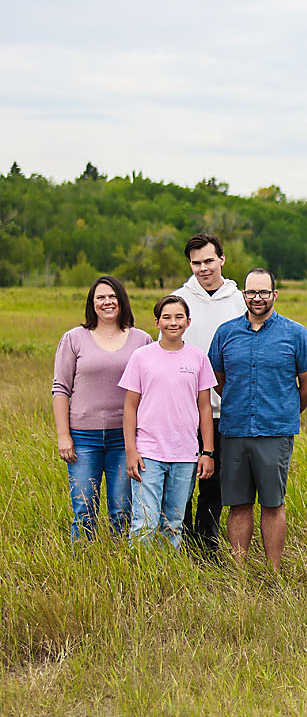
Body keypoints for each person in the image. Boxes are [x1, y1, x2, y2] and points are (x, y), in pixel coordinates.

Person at [208, 268, 307, 568]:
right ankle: (239, 572)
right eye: (251, 292)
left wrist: (284, 410)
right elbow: (218, 379)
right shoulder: (226, 333)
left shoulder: (295, 333)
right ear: (243, 294)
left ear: (274, 294)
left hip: (275, 432)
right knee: (238, 504)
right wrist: (240, 403)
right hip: (234, 431)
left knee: (272, 503)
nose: (257, 298)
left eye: (263, 292)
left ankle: (274, 572)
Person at [51, 276, 152, 538]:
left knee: (122, 511)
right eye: (100, 297)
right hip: (83, 438)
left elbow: (151, 391)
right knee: (84, 510)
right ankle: (83, 560)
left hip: (125, 439)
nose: (107, 302)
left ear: (122, 300)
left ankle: (119, 560)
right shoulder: (74, 338)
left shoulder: (141, 340)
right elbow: (61, 389)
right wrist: (64, 436)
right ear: (92, 303)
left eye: (112, 296)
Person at [119, 295, 217, 548]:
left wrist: (207, 452)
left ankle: (166, 568)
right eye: (167, 317)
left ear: (188, 321)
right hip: (148, 453)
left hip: (185, 454)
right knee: (145, 521)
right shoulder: (141, 357)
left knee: (173, 522)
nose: (173, 322)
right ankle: (139, 568)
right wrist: (131, 450)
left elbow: (205, 408)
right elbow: (130, 407)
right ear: (157, 322)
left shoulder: (198, 358)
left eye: (179, 317)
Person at [176, 232, 245, 552]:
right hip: (184, 408)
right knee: (181, 477)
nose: (203, 268)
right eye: (196, 263)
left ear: (222, 259)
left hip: (226, 408)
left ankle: (206, 544)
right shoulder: (179, 299)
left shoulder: (239, 301)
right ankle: (179, 538)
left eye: (208, 261)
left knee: (214, 479)